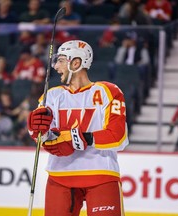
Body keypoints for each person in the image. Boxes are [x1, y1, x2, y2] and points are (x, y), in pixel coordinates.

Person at [27, 40, 129, 215]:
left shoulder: (109, 91)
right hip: (60, 176)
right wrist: (37, 131)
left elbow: (118, 137)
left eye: (61, 61)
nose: (56, 66)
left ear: (76, 63)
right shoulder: (51, 95)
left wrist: (82, 137)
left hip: (101, 175)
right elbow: (41, 138)